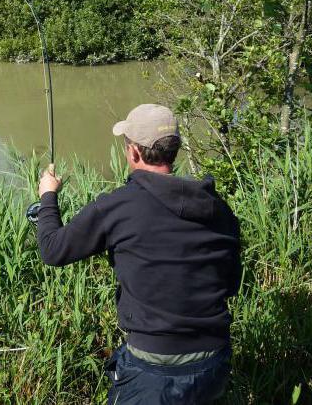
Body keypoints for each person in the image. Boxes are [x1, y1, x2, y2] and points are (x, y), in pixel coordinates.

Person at [36, 104, 241, 404]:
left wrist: (48, 196)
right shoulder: (217, 208)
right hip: (214, 360)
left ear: (133, 153)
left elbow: (53, 249)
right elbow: (231, 283)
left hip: (153, 366)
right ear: (175, 150)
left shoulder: (118, 207)